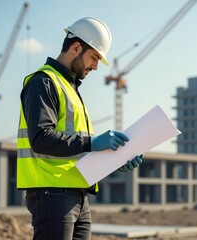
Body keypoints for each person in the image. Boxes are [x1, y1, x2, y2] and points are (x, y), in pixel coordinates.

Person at [16, 17, 143, 240]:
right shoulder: (43, 82)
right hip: (51, 193)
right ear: (76, 48)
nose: (95, 66)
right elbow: (41, 138)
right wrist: (93, 142)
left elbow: (78, 149)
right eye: (94, 57)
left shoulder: (71, 89)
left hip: (78, 196)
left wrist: (116, 161)